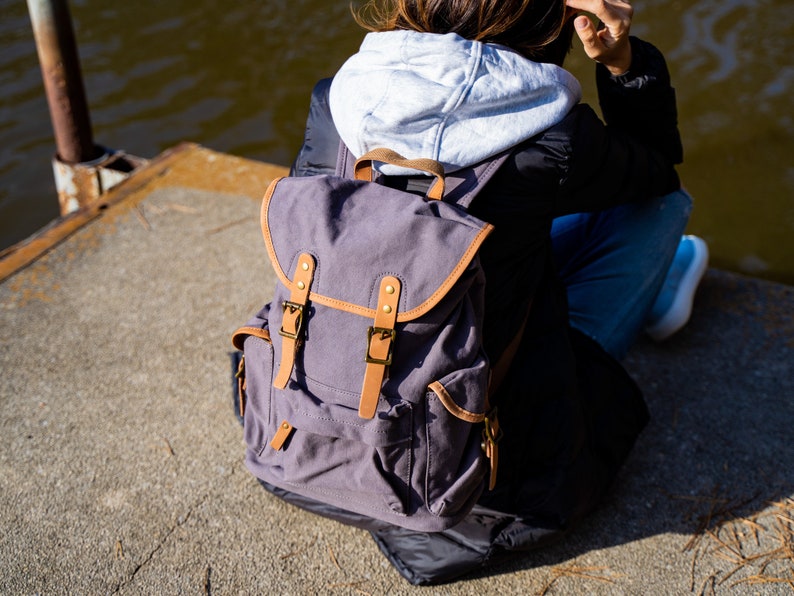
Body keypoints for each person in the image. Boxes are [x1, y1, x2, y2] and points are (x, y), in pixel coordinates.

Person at [279, 0, 709, 584]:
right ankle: (657, 288)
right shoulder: (555, 136)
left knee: (481, 224)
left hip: (320, 416)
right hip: (479, 452)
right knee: (660, 206)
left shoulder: (338, 98)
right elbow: (659, 167)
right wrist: (622, 62)